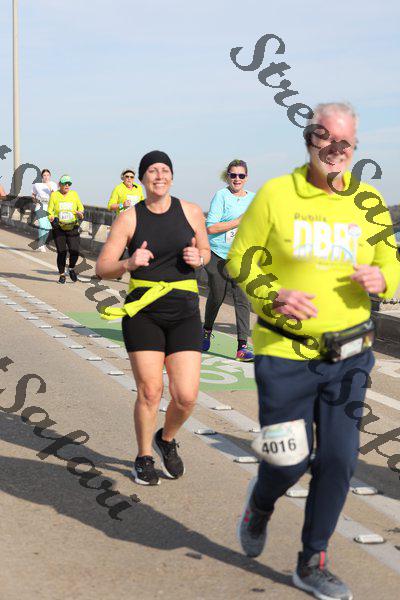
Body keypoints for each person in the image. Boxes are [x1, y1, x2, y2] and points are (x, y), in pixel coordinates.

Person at [227, 103, 400, 600]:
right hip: (285, 352)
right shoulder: (277, 194)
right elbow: (241, 259)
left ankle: (313, 559)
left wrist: (384, 278)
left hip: (349, 355)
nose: (334, 149)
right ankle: (261, 503)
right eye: (325, 138)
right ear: (309, 140)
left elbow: (391, 260)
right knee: (287, 461)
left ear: (354, 148)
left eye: (344, 142)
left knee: (340, 459)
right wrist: (273, 294)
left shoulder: (369, 202)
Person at [96, 151, 210, 486]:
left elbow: (205, 251)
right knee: (150, 391)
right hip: (144, 313)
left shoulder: (191, 211)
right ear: (143, 178)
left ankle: (166, 438)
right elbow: (102, 268)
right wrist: (129, 263)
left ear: (172, 176)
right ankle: (144, 456)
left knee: (186, 396)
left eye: (164, 170)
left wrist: (199, 257)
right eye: (152, 171)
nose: (159, 176)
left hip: (184, 312)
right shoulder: (129, 218)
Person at [203, 159, 255, 361]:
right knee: (217, 296)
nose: (237, 179)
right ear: (228, 177)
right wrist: (238, 222)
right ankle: (206, 331)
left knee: (242, 300)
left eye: (241, 175)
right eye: (233, 175)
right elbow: (211, 227)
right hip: (218, 254)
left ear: (246, 178)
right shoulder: (221, 196)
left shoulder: (254, 199)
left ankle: (242, 347)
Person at [48, 175, 84, 284]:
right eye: (65, 183)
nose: (67, 185)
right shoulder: (54, 195)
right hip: (59, 228)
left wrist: (80, 213)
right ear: (60, 184)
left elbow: (81, 208)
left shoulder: (74, 194)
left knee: (75, 251)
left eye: (69, 184)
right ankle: (62, 275)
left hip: (72, 227)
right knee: (61, 252)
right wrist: (51, 217)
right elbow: (49, 210)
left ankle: (71, 268)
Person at [32, 169, 58, 252]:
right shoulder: (37, 185)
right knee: (43, 225)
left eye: (48, 175)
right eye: (44, 175)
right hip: (40, 206)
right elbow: (33, 194)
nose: (46, 177)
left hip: (50, 207)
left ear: (50, 176)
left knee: (47, 227)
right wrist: (34, 200)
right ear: (42, 177)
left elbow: (55, 196)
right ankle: (41, 244)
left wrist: (50, 188)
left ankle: (41, 242)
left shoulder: (53, 184)